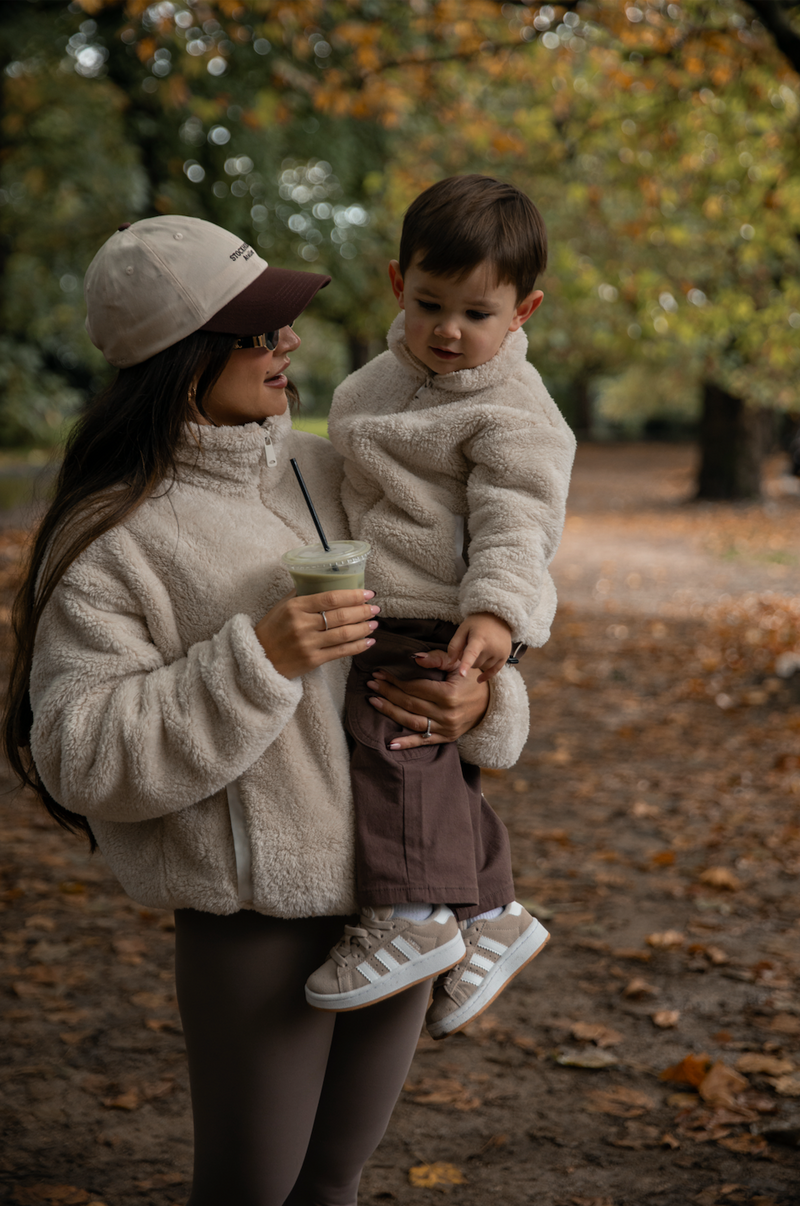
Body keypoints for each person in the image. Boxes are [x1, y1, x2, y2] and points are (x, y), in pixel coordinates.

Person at [2, 215, 533, 1206]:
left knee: (334, 1181)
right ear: (177, 355)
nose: (286, 341)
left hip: (401, 899)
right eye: (255, 331)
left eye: (283, 322)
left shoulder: (331, 471)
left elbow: (441, 616)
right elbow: (76, 752)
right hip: (257, 923)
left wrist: (479, 698)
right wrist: (259, 659)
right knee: (250, 1191)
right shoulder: (113, 534)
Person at [310, 175, 576, 1040]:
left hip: (442, 607)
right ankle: (488, 913)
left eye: (477, 313)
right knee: (432, 768)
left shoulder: (513, 412)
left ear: (523, 311)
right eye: (429, 304)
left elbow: (518, 518)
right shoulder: (370, 388)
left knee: (395, 741)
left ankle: (414, 914)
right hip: (380, 589)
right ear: (397, 284)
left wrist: (498, 613)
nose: (449, 331)